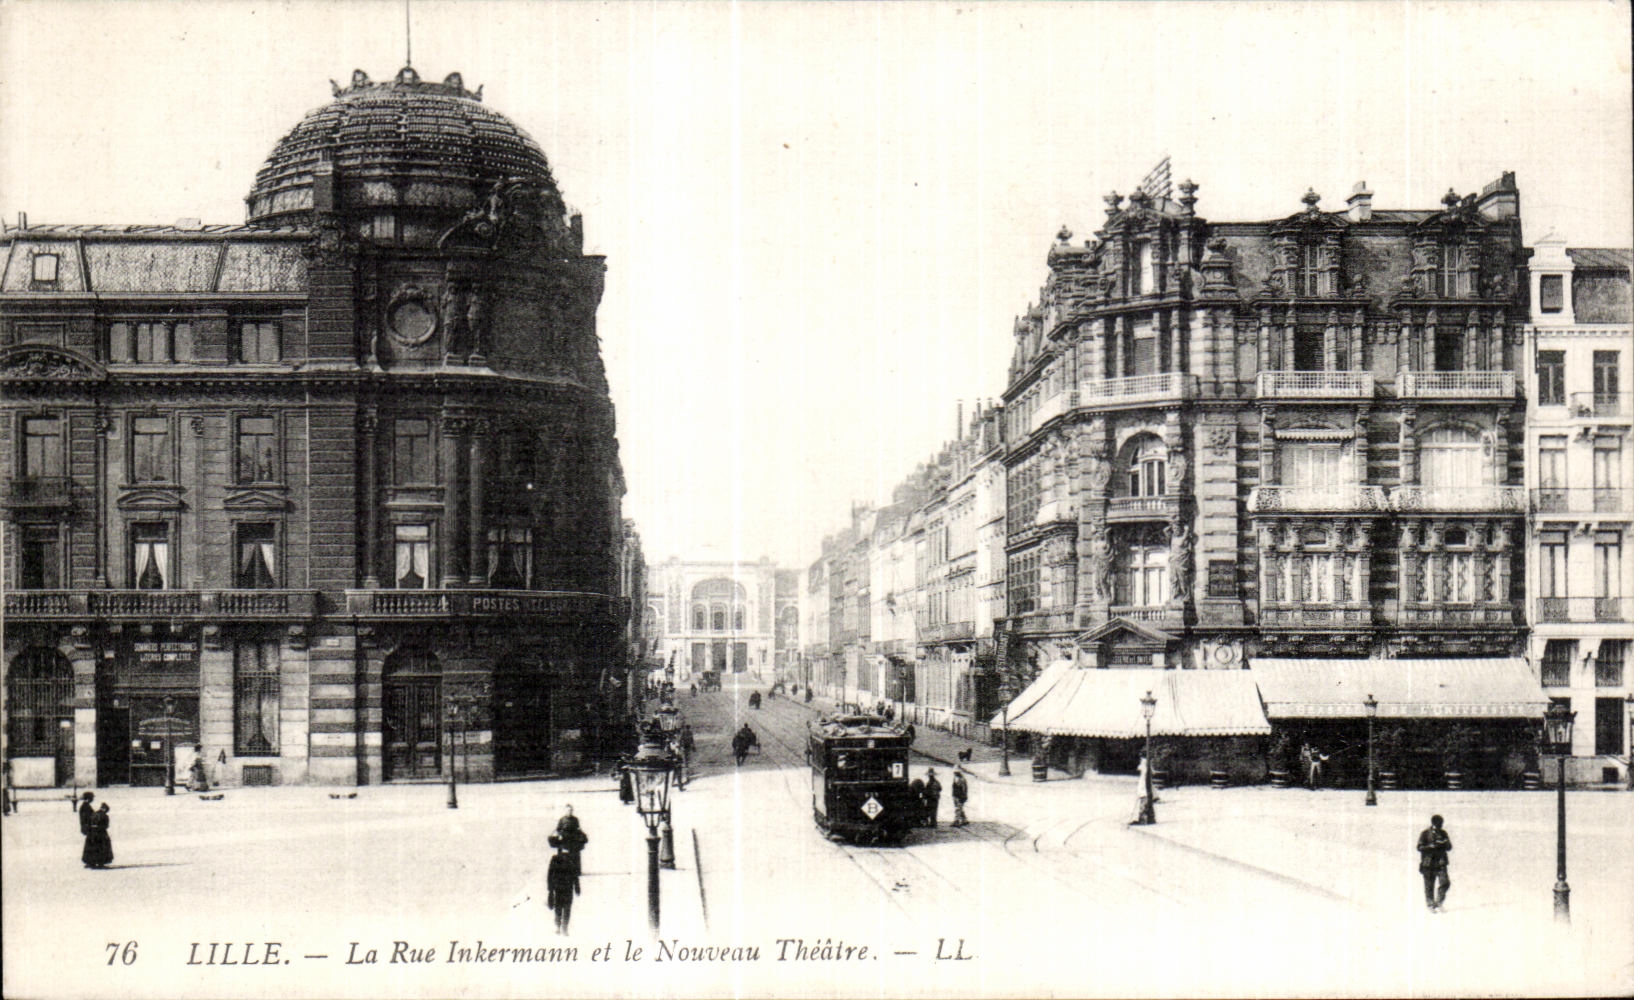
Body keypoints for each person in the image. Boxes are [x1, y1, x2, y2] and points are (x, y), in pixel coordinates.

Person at [545, 834, 580, 935]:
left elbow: (550, 874)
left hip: (561, 886)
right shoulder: (568, 859)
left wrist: (550, 888)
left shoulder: (557, 859)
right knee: (564, 907)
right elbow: (574, 875)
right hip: (565, 886)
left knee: (560, 907)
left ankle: (561, 927)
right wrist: (577, 886)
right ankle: (562, 927)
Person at [1417, 814, 1453, 913]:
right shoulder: (1425, 833)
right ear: (1433, 824)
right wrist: (1430, 846)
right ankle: (1430, 904)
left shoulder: (1443, 833)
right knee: (1429, 885)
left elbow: (1449, 847)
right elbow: (1419, 847)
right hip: (1428, 863)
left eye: (1441, 824)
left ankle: (1439, 902)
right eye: (1438, 824)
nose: (1440, 826)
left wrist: (1445, 843)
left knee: (1445, 882)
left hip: (1441, 862)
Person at [83, 802, 113, 869]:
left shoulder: (93, 814)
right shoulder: (105, 816)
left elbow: (88, 822)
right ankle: (100, 863)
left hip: (92, 833)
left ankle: (91, 862)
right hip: (101, 833)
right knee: (101, 848)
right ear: (105, 809)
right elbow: (106, 826)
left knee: (92, 847)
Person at [1131, 752, 1154, 825]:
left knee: (1143, 804)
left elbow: (1144, 777)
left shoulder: (1144, 765)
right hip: (1145, 790)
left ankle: (1143, 820)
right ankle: (1147, 819)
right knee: (1144, 803)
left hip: (1144, 790)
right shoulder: (1146, 765)